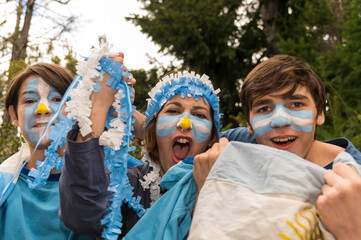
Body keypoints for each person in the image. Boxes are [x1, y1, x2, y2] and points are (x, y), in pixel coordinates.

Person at [191, 55, 361, 239]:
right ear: (249, 125)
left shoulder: (354, 179)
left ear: (319, 113)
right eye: (263, 109)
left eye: (296, 104)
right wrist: (206, 188)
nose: (280, 121)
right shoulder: (242, 144)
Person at [58, 61, 222, 239]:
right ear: (154, 129)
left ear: (211, 139)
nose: (185, 123)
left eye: (199, 115)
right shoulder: (128, 184)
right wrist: (99, 108)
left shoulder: (227, 184)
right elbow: (83, 213)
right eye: (173, 111)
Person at [0, 63, 93, 240]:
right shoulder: (3, 187)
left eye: (58, 99)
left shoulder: (112, 173)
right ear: (13, 116)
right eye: (29, 100)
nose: (43, 109)